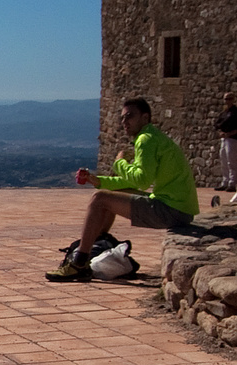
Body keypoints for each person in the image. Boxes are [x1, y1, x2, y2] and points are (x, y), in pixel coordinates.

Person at [47, 98, 198, 282]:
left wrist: (120, 162)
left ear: (145, 117)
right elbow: (132, 182)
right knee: (109, 196)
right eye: (123, 118)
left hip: (171, 210)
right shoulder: (154, 137)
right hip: (180, 208)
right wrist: (98, 180)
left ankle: (79, 263)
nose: (124, 122)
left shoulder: (145, 140)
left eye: (130, 116)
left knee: (99, 200)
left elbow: (141, 181)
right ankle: (97, 244)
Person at [214, 92, 237, 191]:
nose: (226, 101)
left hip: (232, 139)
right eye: (225, 99)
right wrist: (220, 132)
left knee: (231, 161)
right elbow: (217, 124)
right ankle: (225, 181)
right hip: (224, 138)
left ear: (233, 99)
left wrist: (229, 134)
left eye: (228, 99)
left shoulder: (236, 112)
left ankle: (232, 183)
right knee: (223, 161)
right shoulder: (224, 112)